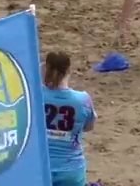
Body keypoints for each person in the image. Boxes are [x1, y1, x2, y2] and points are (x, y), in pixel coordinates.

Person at [42, 51, 97, 186]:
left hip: (41, 168)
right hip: (71, 170)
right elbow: (89, 127)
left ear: (45, 68)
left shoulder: (36, 96)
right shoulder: (83, 99)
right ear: (68, 70)